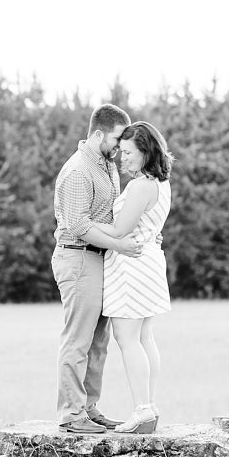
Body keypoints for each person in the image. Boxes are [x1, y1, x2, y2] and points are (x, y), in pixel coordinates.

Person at [51, 104, 142, 434]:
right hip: (77, 257)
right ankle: (71, 414)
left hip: (99, 258)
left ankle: (88, 407)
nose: (122, 145)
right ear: (99, 133)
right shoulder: (79, 170)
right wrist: (119, 245)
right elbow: (77, 223)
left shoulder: (106, 165)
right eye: (118, 137)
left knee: (98, 341)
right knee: (78, 340)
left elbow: (111, 215)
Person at [87, 121, 174, 434]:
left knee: (127, 339)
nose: (121, 158)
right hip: (147, 259)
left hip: (131, 266)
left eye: (128, 152)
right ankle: (148, 407)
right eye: (120, 151)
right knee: (144, 337)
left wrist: (83, 225)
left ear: (145, 152)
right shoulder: (159, 183)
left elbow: (120, 230)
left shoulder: (141, 186)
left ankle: (142, 409)